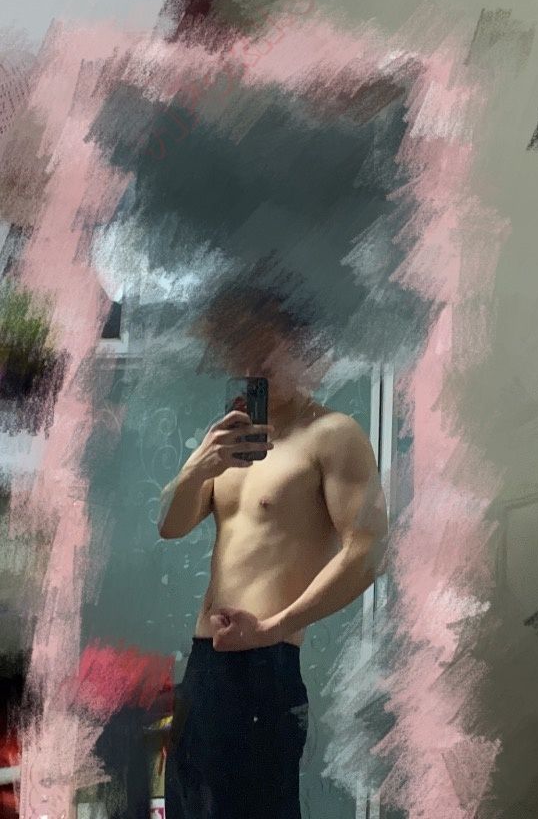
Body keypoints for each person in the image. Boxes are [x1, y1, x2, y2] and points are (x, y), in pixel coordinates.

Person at [158, 282, 389, 819]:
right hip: (203, 666)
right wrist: (198, 466)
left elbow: (368, 551)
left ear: (302, 347)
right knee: (187, 805)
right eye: (244, 351)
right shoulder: (232, 440)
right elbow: (171, 526)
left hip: (265, 663)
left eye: (267, 349)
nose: (253, 364)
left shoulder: (333, 434)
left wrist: (274, 627)